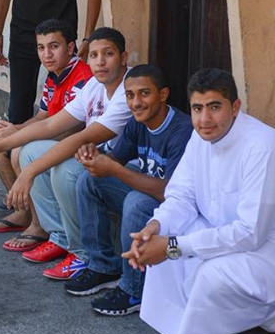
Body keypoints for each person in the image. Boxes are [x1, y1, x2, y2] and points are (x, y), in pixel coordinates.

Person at [123, 68, 275, 334]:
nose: (204, 119)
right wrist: (155, 228)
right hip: (241, 237)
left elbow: (250, 233)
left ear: (235, 107)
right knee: (167, 238)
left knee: (210, 275)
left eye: (214, 107)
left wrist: (171, 247)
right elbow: (181, 196)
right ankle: (246, 310)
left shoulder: (263, 148)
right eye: (197, 108)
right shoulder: (200, 138)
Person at [0, 27, 132, 278]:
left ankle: (82, 254)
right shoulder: (95, 85)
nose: (100, 61)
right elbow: (49, 125)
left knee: (65, 171)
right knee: (30, 152)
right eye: (94, 55)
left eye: (108, 54)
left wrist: (29, 174)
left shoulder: (128, 91)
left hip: (122, 167)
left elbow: (81, 137)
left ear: (123, 57)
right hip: (93, 157)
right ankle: (60, 237)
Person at [64, 64, 193, 315]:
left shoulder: (182, 130)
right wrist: (93, 157)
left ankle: (134, 290)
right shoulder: (138, 123)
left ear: (163, 94)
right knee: (89, 180)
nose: (136, 102)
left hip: (177, 208)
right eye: (130, 95)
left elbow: (169, 193)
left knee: (136, 202)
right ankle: (102, 266)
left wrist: (114, 169)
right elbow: (115, 160)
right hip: (150, 193)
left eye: (144, 93)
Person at [0, 19, 93, 260]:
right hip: (53, 136)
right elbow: (42, 117)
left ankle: (40, 226)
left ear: (70, 47)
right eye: (41, 48)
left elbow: (74, 129)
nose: (46, 54)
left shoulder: (82, 77)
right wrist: (14, 129)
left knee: (20, 149)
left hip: (76, 146)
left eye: (54, 46)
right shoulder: (53, 75)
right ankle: (24, 213)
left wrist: (17, 135)